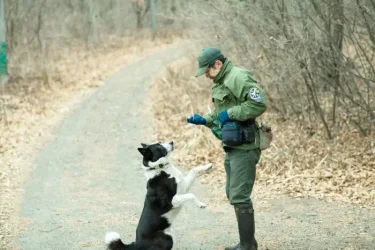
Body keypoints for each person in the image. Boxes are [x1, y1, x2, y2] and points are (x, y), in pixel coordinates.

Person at [187, 47, 267, 250]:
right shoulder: (220, 82)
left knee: (240, 196)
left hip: (246, 145)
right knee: (233, 194)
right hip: (232, 145)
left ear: (218, 64)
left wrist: (230, 113)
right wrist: (205, 120)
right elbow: (220, 113)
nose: (206, 76)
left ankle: (247, 246)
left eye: (207, 71)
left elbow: (258, 105)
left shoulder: (238, 77)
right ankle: (248, 242)